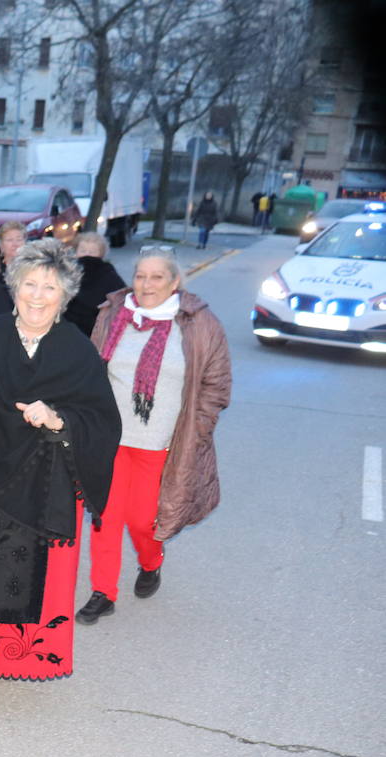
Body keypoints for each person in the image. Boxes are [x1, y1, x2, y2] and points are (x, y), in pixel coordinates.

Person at [0, 238, 120, 729]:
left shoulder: (77, 350)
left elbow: (103, 421)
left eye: (51, 288)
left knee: (11, 579)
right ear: (14, 287)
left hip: (41, 486)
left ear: (65, 297)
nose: (39, 296)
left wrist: (59, 418)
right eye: (31, 285)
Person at [76, 247, 231, 625]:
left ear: (175, 282)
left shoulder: (199, 324)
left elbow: (216, 385)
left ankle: (151, 561)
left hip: (160, 441)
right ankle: (103, 591)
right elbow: (92, 369)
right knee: (105, 517)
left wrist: (199, 427)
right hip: (110, 437)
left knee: (144, 520)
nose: (146, 284)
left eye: (157, 277)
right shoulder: (114, 314)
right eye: (141, 276)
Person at [66, 231, 126, 337]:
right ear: (76, 252)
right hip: (69, 326)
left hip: (95, 327)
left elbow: (120, 296)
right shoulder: (68, 272)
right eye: (83, 250)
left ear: (101, 254)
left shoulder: (108, 274)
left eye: (92, 252)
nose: (87, 255)